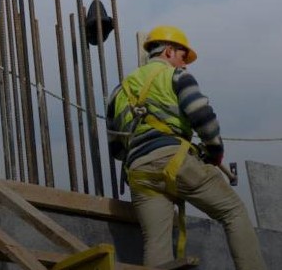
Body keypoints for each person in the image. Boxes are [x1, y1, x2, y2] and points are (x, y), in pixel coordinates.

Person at [107, 25, 267, 270]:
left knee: (155, 244)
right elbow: (202, 115)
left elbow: (116, 148)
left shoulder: (119, 91)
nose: (185, 65)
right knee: (233, 212)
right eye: (183, 57)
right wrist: (215, 151)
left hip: (138, 172)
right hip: (174, 160)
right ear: (169, 52)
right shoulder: (176, 76)